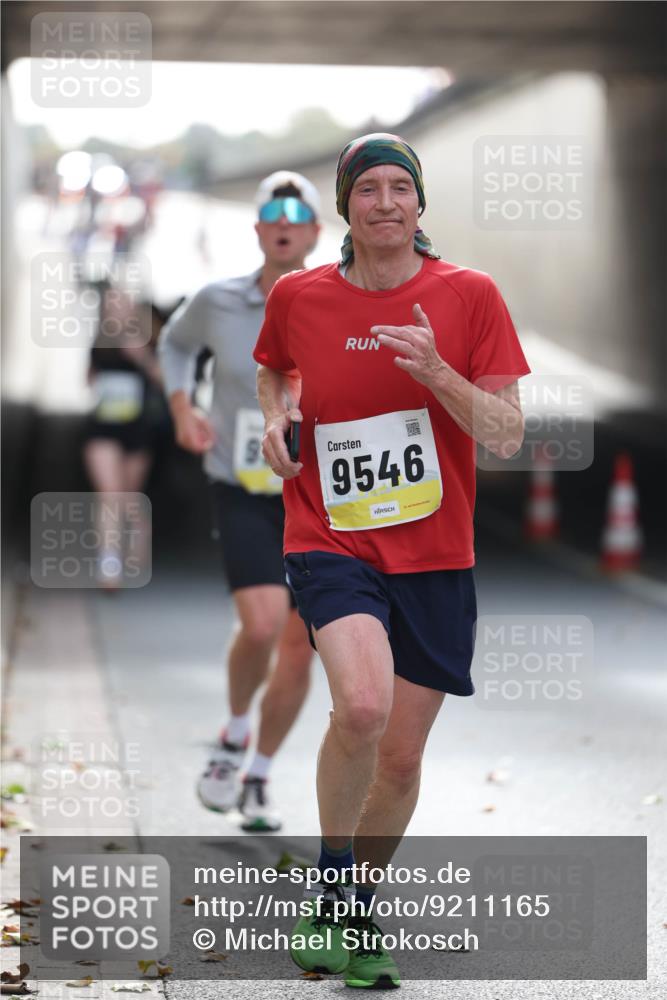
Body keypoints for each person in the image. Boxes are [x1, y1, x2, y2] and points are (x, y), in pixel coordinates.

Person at [254, 133, 531, 988]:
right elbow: (272, 369)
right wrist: (276, 417)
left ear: (419, 203)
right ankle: (333, 879)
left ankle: (349, 907)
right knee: (363, 709)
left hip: (437, 552)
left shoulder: (469, 295)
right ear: (345, 208)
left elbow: (507, 432)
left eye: (397, 188)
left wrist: (440, 374)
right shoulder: (300, 296)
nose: (383, 203)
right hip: (330, 537)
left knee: (402, 758)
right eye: (366, 189)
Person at [158, 171, 321, 832]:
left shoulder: (335, 303)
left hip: (320, 494)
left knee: (297, 643)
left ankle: (257, 777)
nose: (283, 226)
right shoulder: (216, 301)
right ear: (258, 231)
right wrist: (181, 406)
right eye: (271, 217)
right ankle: (231, 736)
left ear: (314, 231)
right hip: (246, 486)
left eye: (297, 217)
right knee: (260, 626)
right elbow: (173, 343)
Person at [83, 288, 167, 588]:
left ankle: (137, 534)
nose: (115, 311)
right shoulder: (99, 342)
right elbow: (89, 379)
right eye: (110, 306)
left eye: (121, 305)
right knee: (109, 494)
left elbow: (166, 381)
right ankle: (109, 564)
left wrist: (142, 358)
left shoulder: (146, 340)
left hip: (138, 430)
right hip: (103, 428)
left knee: (130, 496)